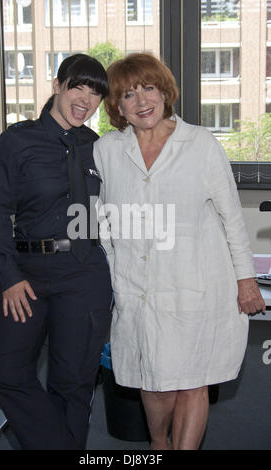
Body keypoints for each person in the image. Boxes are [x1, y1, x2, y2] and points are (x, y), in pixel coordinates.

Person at [93, 53, 266, 450]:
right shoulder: (107, 152)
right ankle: (159, 443)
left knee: (193, 380)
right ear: (118, 107)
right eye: (129, 95)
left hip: (198, 285)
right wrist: (113, 275)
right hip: (138, 290)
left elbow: (231, 218)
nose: (141, 102)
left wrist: (246, 281)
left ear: (164, 91)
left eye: (148, 88)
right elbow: (104, 224)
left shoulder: (200, 144)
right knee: (152, 383)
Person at [0, 54, 112, 450]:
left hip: (84, 273)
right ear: (58, 86)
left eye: (96, 94)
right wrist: (9, 276)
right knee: (5, 374)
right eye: (78, 87)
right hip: (27, 273)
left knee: (72, 381)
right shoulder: (17, 140)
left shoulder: (99, 149)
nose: (86, 100)